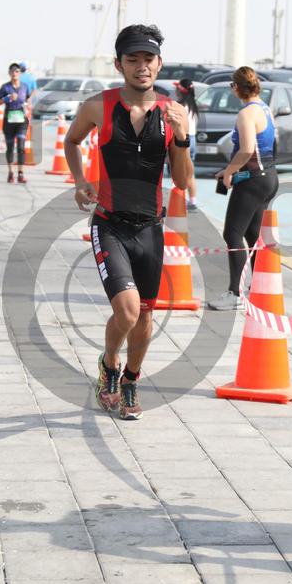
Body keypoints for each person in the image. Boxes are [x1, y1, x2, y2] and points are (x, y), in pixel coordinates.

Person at [65, 24, 192, 420]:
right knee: (128, 311)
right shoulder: (98, 107)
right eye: (133, 59)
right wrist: (81, 181)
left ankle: (132, 379)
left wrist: (183, 137)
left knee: (146, 315)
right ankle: (109, 364)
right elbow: (71, 141)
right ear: (119, 64)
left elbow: (183, 181)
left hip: (150, 228)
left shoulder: (172, 113)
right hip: (109, 224)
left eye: (148, 59)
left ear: (159, 63)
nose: (142, 66)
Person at [208, 66, 279, 310]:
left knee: (232, 234)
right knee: (252, 234)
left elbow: (247, 149)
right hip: (268, 176)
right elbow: (264, 147)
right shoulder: (265, 109)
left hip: (252, 181)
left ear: (237, 87)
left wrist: (230, 172)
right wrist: (230, 169)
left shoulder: (246, 114)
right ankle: (259, 288)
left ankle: (235, 294)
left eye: (232, 85)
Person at [0, 62, 32, 184]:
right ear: (9, 73)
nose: (14, 73)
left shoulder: (25, 87)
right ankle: (11, 173)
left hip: (21, 121)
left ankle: (21, 174)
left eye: (16, 71)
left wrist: (29, 105)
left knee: (21, 147)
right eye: (12, 71)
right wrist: (7, 98)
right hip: (9, 121)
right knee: (10, 147)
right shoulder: (5, 87)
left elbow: (28, 99)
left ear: (20, 73)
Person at [174, 79, 199, 211]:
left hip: (184, 139)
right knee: (190, 172)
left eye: (177, 88)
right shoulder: (193, 105)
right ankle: (192, 200)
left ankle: (179, 200)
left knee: (180, 171)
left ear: (180, 91)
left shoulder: (180, 106)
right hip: (193, 139)